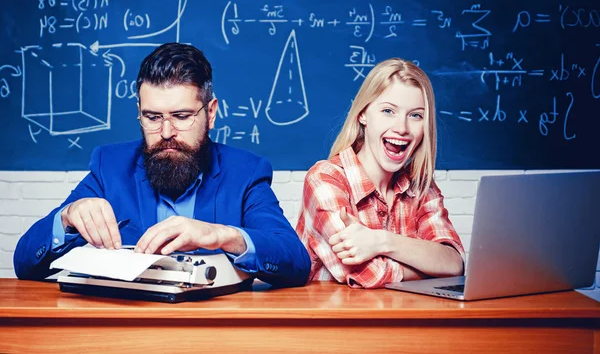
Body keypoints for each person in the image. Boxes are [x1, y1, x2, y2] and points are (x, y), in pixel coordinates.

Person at [14, 42, 311, 288]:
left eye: (182, 116)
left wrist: (221, 235)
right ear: (139, 113)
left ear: (211, 113)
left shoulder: (246, 173)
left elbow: (295, 261)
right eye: (153, 117)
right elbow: (25, 264)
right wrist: (67, 217)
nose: (166, 133)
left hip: (218, 331)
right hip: (125, 329)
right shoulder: (110, 167)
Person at [295, 58, 465, 288]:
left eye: (416, 115)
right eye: (388, 111)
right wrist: (428, 267)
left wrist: (381, 241)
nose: (402, 128)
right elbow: (370, 274)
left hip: (402, 319)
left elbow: (454, 263)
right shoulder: (325, 180)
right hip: (338, 320)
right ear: (363, 114)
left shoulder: (421, 187)